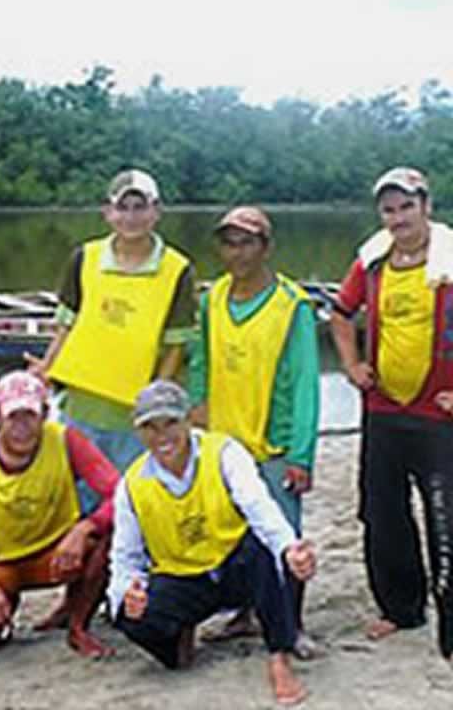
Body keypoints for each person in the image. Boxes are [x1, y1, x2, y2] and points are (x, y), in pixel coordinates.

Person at [110, 380, 316, 707]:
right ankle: (181, 639)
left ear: (188, 420)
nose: (162, 436)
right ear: (138, 432)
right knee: (127, 614)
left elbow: (258, 506)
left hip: (234, 564)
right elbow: (125, 557)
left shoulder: (224, 453)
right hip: (184, 577)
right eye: (150, 427)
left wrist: (289, 548)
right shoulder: (131, 486)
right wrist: (128, 594)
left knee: (265, 548)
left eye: (170, 423)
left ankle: (279, 655)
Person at [330, 166, 453, 661]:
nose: (398, 217)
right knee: (383, 515)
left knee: (445, 520)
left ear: (426, 205)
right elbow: (341, 315)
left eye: (406, 206)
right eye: (389, 208)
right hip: (382, 409)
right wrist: (352, 363)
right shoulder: (374, 261)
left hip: (440, 415)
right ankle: (401, 609)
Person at [188, 206, 319, 656]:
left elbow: (305, 384)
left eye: (247, 241)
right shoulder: (212, 299)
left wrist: (302, 454)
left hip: (274, 441)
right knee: (235, 534)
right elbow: (200, 362)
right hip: (225, 443)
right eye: (229, 241)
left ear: (266, 247)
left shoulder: (293, 305)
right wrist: (195, 412)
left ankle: (292, 626)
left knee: (282, 533)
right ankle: (244, 614)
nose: (237, 252)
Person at [29, 169, 196, 513]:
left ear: (156, 211)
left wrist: (157, 401)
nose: (131, 217)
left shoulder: (177, 269)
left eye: (140, 207)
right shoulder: (84, 258)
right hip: (82, 402)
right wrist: (46, 369)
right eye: (123, 207)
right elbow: (66, 325)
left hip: (133, 412)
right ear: (108, 212)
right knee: (78, 498)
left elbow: (176, 346)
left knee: (131, 499)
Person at [0, 370, 119, 657]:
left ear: (45, 413)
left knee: (109, 538)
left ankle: (79, 625)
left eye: (30, 416)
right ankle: (1, 616)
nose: (22, 427)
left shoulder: (65, 440)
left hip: (56, 553)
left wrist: (85, 528)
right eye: (13, 416)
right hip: (2, 560)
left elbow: (119, 494)